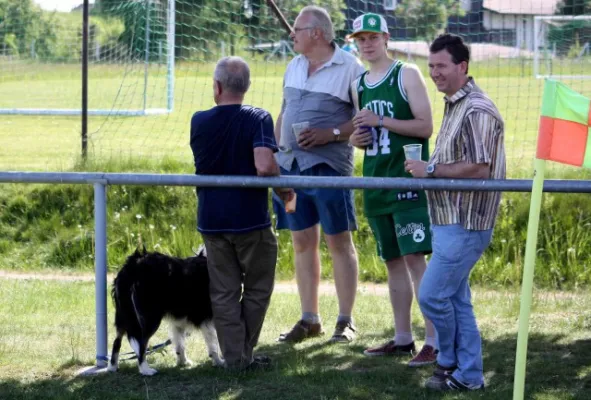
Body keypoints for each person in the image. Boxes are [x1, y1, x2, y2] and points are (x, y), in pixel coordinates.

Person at [405, 33, 506, 391]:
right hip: (448, 221)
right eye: (430, 66)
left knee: (432, 295)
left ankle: (448, 361)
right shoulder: (454, 103)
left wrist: (430, 171)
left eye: (441, 66)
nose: (434, 73)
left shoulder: (477, 108)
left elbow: (479, 168)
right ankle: (470, 375)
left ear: (462, 66)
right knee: (457, 301)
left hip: (466, 223)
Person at [190, 56, 294, 371]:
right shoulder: (257, 117)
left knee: (223, 292)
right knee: (258, 287)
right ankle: (242, 354)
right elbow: (265, 165)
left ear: (217, 87)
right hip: (250, 221)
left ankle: (236, 359)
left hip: (211, 221)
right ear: (247, 87)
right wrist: (287, 193)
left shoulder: (198, 120)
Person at [347, 13, 438, 367]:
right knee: (392, 262)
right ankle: (403, 339)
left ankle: (434, 340)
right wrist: (357, 138)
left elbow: (425, 126)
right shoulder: (359, 84)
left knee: (416, 259)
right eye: (361, 38)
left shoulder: (407, 74)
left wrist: (381, 120)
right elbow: (364, 137)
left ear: (386, 38)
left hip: (406, 182)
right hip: (376, 182)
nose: (367, 44)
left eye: (373, 37)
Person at [273, 5, 365, 344]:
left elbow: (362, 120)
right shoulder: (293, 66)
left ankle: (345, 321)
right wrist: (275, 151)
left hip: (329, 172)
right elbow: (284, 111)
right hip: (291, 173)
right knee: (301, 242)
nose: (291, 33)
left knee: (338, 242)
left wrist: (330, 135)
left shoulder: (351, 68)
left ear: (317, 34)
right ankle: (309, 319)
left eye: (297, 29)